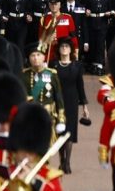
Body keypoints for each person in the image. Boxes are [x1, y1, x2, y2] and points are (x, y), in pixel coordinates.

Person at [49, 38, 88, 174]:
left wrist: (85, 106)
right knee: (60, 131)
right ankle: (61, 160)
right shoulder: (53, 66)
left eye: (67, 46)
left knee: (70, 132)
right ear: (58, 50)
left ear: (71, 50)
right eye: (62, 46)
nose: (64, 48)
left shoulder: (77, 66)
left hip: (72, 100)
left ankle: (67, 162)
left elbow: (80, 86)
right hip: (57, 101)